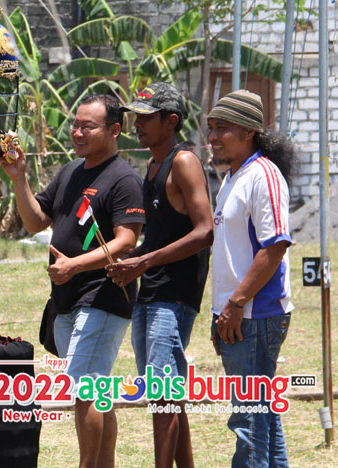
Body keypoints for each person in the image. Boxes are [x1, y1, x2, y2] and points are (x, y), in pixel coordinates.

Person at [0, 94, 145, 468]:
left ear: (114, 130)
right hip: (66, 299)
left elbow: (126, 241)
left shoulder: (124, 179)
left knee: (85, 387)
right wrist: (19, 178)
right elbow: (36, 221)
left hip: (102, 297)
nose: (77, 133)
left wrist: (75, 266)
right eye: (75, 125)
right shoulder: (70, 171)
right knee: (95, 389)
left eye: (88, 126)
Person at [105, 82, 213, 468]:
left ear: (171, 121)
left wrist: (144, 262)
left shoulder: (183, 162)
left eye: (146, 117)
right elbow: (160, 236)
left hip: (175, 295)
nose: (136, 124)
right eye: (135, 116)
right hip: (150, 292)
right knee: (165, 394)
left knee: (163, 395)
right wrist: (131, 259)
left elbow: (205, 232)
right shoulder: (151, 167)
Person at [207, 89, 296, 468]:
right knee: (262, 419)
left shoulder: (264, 176)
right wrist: (220, 311)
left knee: (249, 421)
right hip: (236, 314)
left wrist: (235, 304)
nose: (212, 137)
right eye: (211, 128)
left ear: (248, 132)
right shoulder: (233, 177)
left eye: (222, 128)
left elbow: (275, 247)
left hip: (255, 315)